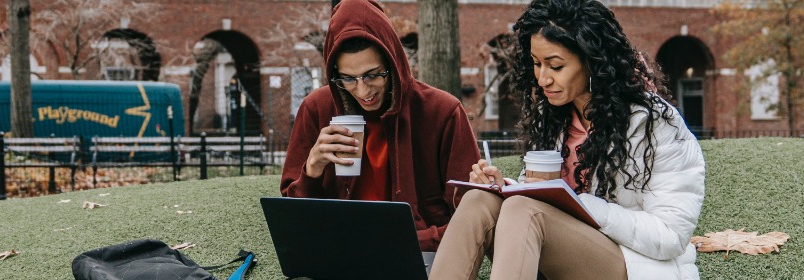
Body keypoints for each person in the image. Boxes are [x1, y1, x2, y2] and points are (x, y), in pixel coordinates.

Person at [427, 0, 706, 279]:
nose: (542, 79)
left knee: (525, 210)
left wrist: (578, 203)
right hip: (558, 251)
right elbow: (542, 202)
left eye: (556, 66)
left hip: (634, 265)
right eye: (536, 64)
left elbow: (670, 235)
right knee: (479, 200)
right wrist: (506, 188)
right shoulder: (553, 119)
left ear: (592, 62)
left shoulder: (653, 122)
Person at [279, 0, 481, 252]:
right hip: (339, 251)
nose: (362, 91)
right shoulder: (316, 108)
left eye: (373, 74)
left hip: (418, 251)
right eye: (348, 79)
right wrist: (313, 167)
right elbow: (291, 219)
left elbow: (472, 214)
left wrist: (408, 242)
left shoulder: (442, 111)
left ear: (392, 62)